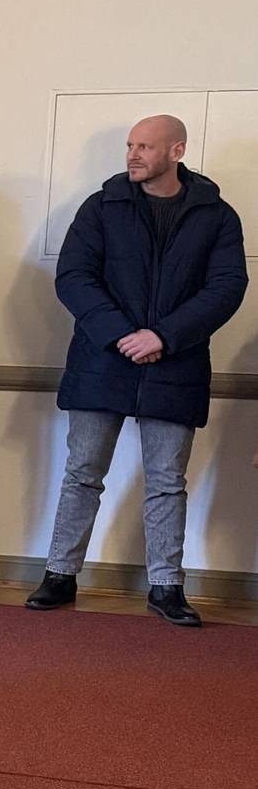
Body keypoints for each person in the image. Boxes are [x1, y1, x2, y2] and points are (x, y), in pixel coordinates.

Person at [27, 114, 248, 627]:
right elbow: (74, 277)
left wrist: (164, 336)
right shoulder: (102, 206)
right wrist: (123, 335)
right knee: (82, 474)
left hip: (178, 361)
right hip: (102, 359)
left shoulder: (217, 215)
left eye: (144, 146)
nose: (132, 154)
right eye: (129, 145)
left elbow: (226, 288)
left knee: (168, 481)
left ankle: (166, 586)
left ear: (176, 151)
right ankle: (60, 574)